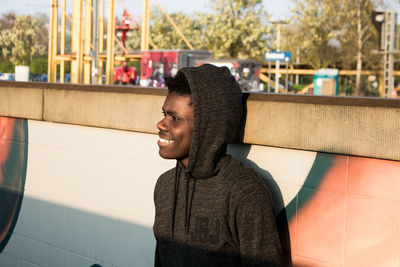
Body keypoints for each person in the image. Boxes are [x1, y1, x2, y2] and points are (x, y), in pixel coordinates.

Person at [153, 64, 284, 266]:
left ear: (207, 128)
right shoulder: (165, 186)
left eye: (175, 119)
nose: (161, 124)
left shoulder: (244, 192)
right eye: (164, 114)